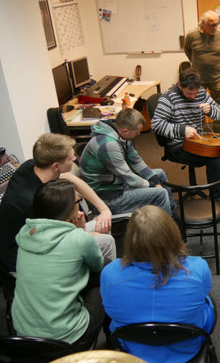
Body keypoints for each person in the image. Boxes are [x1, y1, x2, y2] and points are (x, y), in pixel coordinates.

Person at [101, 205, 215, 363]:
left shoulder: (109, 273)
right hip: (187, 349)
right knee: (208, 303)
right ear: (172, 234)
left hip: (133, 352)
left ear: (130, 239)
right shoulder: (198, 268)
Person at [0, 133, 114, 273]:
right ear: (55, 166)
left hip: (41, 239)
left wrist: (104, 210)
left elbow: (71, 179)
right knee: (102, 240)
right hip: (27, 259)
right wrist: (83, 234)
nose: (74, 158)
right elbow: (55, 240)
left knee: (103, 224)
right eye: (70, 158)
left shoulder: (33, 166)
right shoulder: (34, 202)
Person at [12, 179, 105, 351]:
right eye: (78, 202)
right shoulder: (78, 238)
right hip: (67, 339)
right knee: (107, 278)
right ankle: (112, 343)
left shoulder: (24, 233)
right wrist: (81, 231)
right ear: (69, 210)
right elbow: (97, 265)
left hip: (24, 337)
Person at [151, 68, 220, 203]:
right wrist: (183, 130)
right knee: (214, 158)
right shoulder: (168, 98)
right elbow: (156, 124)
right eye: (189, 93)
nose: (194, 96)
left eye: (196, 92)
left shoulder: (201, 93)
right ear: (180, 85)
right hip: (179, 145)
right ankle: (216, 200)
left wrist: (211, 110)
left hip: (200, 139)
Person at [80, 108, 176, 216]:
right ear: (125, 130)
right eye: (137, 131)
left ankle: (171, 211)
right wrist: (152, 185)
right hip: (106, 197)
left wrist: (153, 179)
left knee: (159, 174)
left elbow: (136, 161)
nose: (139, 134)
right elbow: (128, 177)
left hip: (115, 184)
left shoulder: (119, 135)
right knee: (160, 194)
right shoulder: (108, 145)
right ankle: (168, 228)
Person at [184, 10, 220, 133]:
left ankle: (219, 134)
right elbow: (188, 52)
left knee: (219, 106)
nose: (215, 27)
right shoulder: (192, 35)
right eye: (212, 24)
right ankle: (197, 133)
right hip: (198, 80)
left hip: (217, 78)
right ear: (203, 23)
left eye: (217, 24)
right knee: (196, 107)